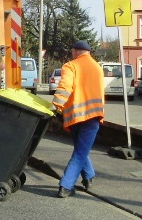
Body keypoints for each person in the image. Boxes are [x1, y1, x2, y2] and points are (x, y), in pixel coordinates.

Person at [51, 40, 105, 198]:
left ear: (75, 52)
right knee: (81, 151)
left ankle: (66, 185)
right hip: (93, 116)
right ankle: (85, 178)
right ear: (88, 52)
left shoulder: (70, 66)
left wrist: (56, 106)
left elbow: (65, 87)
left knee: (80, 152)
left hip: (75, 117)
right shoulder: (97, 68)